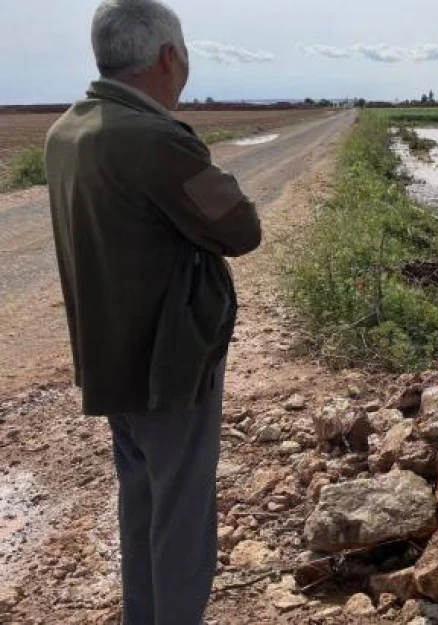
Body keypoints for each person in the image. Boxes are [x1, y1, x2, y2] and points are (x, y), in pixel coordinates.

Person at [45, 1, 261, 622]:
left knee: (141, 504)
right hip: (170, 363)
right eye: (185, 52)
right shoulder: (155, 138)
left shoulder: (69, 130)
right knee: (182, 520)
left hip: (111, 357)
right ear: (169, 56)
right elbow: (240, 230)